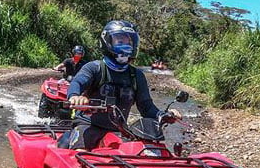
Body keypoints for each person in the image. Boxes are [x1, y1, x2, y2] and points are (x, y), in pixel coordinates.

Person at [62, 21, 182, 150]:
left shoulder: (137, 75)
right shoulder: (94, 67)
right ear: (107, 42)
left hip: (119, 129)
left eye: (128, 42)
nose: (125, 46)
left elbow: (146, 107)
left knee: (145, 152)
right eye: (120, 41)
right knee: (81, 152)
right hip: (88, 125)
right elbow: (77, 82)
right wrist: (75, 96)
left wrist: (163, 115)